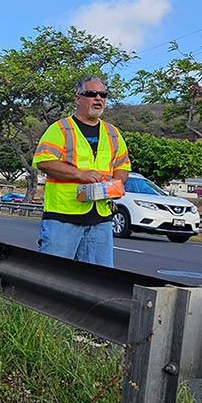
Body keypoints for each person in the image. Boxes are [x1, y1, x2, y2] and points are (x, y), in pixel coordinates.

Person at [32, 75, 131, 267]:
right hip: (63, 218)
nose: (98, 98)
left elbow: (122, 166)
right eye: (91, 94)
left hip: (100, 219)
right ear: (78, 99)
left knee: (98, 282)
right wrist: (81, 175)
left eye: (102, 94)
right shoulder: (60, 129)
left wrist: (117, 184)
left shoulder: (113, 133)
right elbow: (44, 161)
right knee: (53, 275)